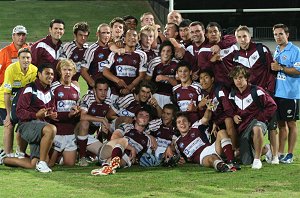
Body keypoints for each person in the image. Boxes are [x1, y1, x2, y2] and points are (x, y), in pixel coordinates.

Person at [0, 63, 57, 173]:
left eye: (52, 74)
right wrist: (36, 115)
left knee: (32, 164)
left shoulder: (51, 92)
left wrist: (52, 115)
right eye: (47, 73)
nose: (50, 76)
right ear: (39, 74)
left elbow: (51, 110)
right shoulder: (29, 89)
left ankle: (4, 159)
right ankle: (42, 163)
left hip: (41, 128)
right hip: (26, 127)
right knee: (51, 129)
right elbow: (19, 112)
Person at [234, 25, 278, 164]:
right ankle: (264, 150)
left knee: (272, 127)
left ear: (250, 36)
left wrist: (269, 91)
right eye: (239, 37)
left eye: (244, 36)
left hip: (265, 94)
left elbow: (271, 71)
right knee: (254, 128)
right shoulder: (236, 56)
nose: (242, 39)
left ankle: (275, 155)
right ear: (236, 39)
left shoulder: (261, 49)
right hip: (249, 96)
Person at [228, 66, 277, 169]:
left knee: (257, 128)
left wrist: (259, 118)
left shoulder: (257, 91)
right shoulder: (232, 95)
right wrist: (234, 116)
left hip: (257, 123)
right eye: (236, 78)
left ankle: (257, 160)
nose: (238, 81)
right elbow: (230, 110)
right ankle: (266, 150)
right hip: (242, 129)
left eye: (241, 77)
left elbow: (272, 106)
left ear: (246, 78)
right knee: (243, 159)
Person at [165, 108, 238, 172]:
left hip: (212, 147)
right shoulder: (177, 142)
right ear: (177, 127)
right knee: (211, 158)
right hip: (201, 157)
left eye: (184, 121)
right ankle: (222, 166)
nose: (182, 123)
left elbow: (206, 118)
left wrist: (208, 108)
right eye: (179, 122)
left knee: (222, 132)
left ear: (189, 123)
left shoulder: (196, 127)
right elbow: (172, 151)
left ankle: (231, 162)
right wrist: (168, 148)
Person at [91, 108, 157, 175]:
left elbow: (148, 155)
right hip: (109, 149)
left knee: (125, 160)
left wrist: (138, 160)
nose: (144, 117)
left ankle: (107, 167)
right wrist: (132, 148)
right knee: (123, 141)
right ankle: (112, 162)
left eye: (147, 116)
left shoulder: (148, 139)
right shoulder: (126, 126)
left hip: (125, 157)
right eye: (141, 115)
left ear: (149, 120)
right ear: (135, 118)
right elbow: (114, 137)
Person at [271, 24, 300, 164]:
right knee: (281, 125)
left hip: (291, 94)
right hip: (278, 93)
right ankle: (280, 153)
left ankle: (290, 154)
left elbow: (298, 71)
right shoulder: (276, 50)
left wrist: (280, 68)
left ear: (287, 35)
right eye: (275, 34)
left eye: (280, 34)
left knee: (292, 124)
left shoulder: (295, 51)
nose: (278, 37)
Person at [0, 48, 37, 157]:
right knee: (9, 124)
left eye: (28, 58)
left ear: (31, 59)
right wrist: (8, 114)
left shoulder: (34, 70)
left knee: (23, 124)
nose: (26, 60)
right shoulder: (11, 69)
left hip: (21, 102)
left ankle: (20, 152)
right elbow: (7, 93)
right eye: (23, 58)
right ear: (18, 59)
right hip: (5, 101)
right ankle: (7, 154)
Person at [49, 59, 81, 167]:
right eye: (64, 70)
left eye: (70, 70)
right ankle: (55, 154)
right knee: (50, 164)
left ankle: (61, 157)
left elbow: (77, 107)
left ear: (73, 72)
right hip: (57, 131)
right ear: (60, 71)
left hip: (70, 132)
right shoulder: (53, 87)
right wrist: (68, 115)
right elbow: (52, 112)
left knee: (69, 164)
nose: (67, 72)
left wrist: (77, 112)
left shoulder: (76, 88)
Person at [198, 69, 237, 150]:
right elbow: (203, 118)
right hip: (213, 125)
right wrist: (200, 107)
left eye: (206, 77)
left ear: (212, 79)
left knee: (228, 120)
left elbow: (229, 110)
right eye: (201, 78)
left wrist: (217, 122)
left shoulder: (220, 90)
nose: (203, 80)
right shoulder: (201, 94)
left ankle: (233, 150)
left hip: (227, 120)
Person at [103, 29, 147, 100]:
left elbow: (141, 76)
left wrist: (129, 87)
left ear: (138, 39)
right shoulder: (115, 53)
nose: (132, 37)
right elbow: (105, 71)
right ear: (124, 39)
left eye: (134, 35)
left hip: (133, 93)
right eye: (129, 35)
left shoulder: (142, 54)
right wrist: (118, 80)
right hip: (115, 93)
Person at [76, 78, 111, 166]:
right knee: (85, 123)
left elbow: (110, 119)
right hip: (77, 133)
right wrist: (102, 120)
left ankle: (87, 154)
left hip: (90, 137)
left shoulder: (108, 101)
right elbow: (82, 116)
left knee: (105, 154)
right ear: (94, 90)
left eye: (105, 90)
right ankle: (82, 157)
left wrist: (106, 125)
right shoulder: (88, 98)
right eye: (100, 90)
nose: (103, 93)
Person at [197, 22, 237, 88]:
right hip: (215, 87)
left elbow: (234, 38)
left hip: (234, 84)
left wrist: (219, 46)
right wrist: (212, 61)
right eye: (210, 32)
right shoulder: (203, 51)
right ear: (206, 35)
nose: (213, 34)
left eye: (215, 31)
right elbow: (202, 70)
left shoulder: (231, 47)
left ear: (220, 33)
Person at [146, 40, 178, 108]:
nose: (165, 53)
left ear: (172, 53)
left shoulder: (176, 64)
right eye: (163, 51)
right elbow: (147, 81)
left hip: (170, 96)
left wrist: (166, 78)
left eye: (168, 51)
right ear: (160, 52)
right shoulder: (154, 63)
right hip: (156, 95)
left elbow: (178, 84)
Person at [81, 23, 111, 90]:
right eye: (103, 33)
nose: (106, 35)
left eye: (108, 33)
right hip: (97, 89)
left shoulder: (112, 48)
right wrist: (93, 85)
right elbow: (83, 70)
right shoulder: (92, 50)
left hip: (111, 89)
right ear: (97, 34)